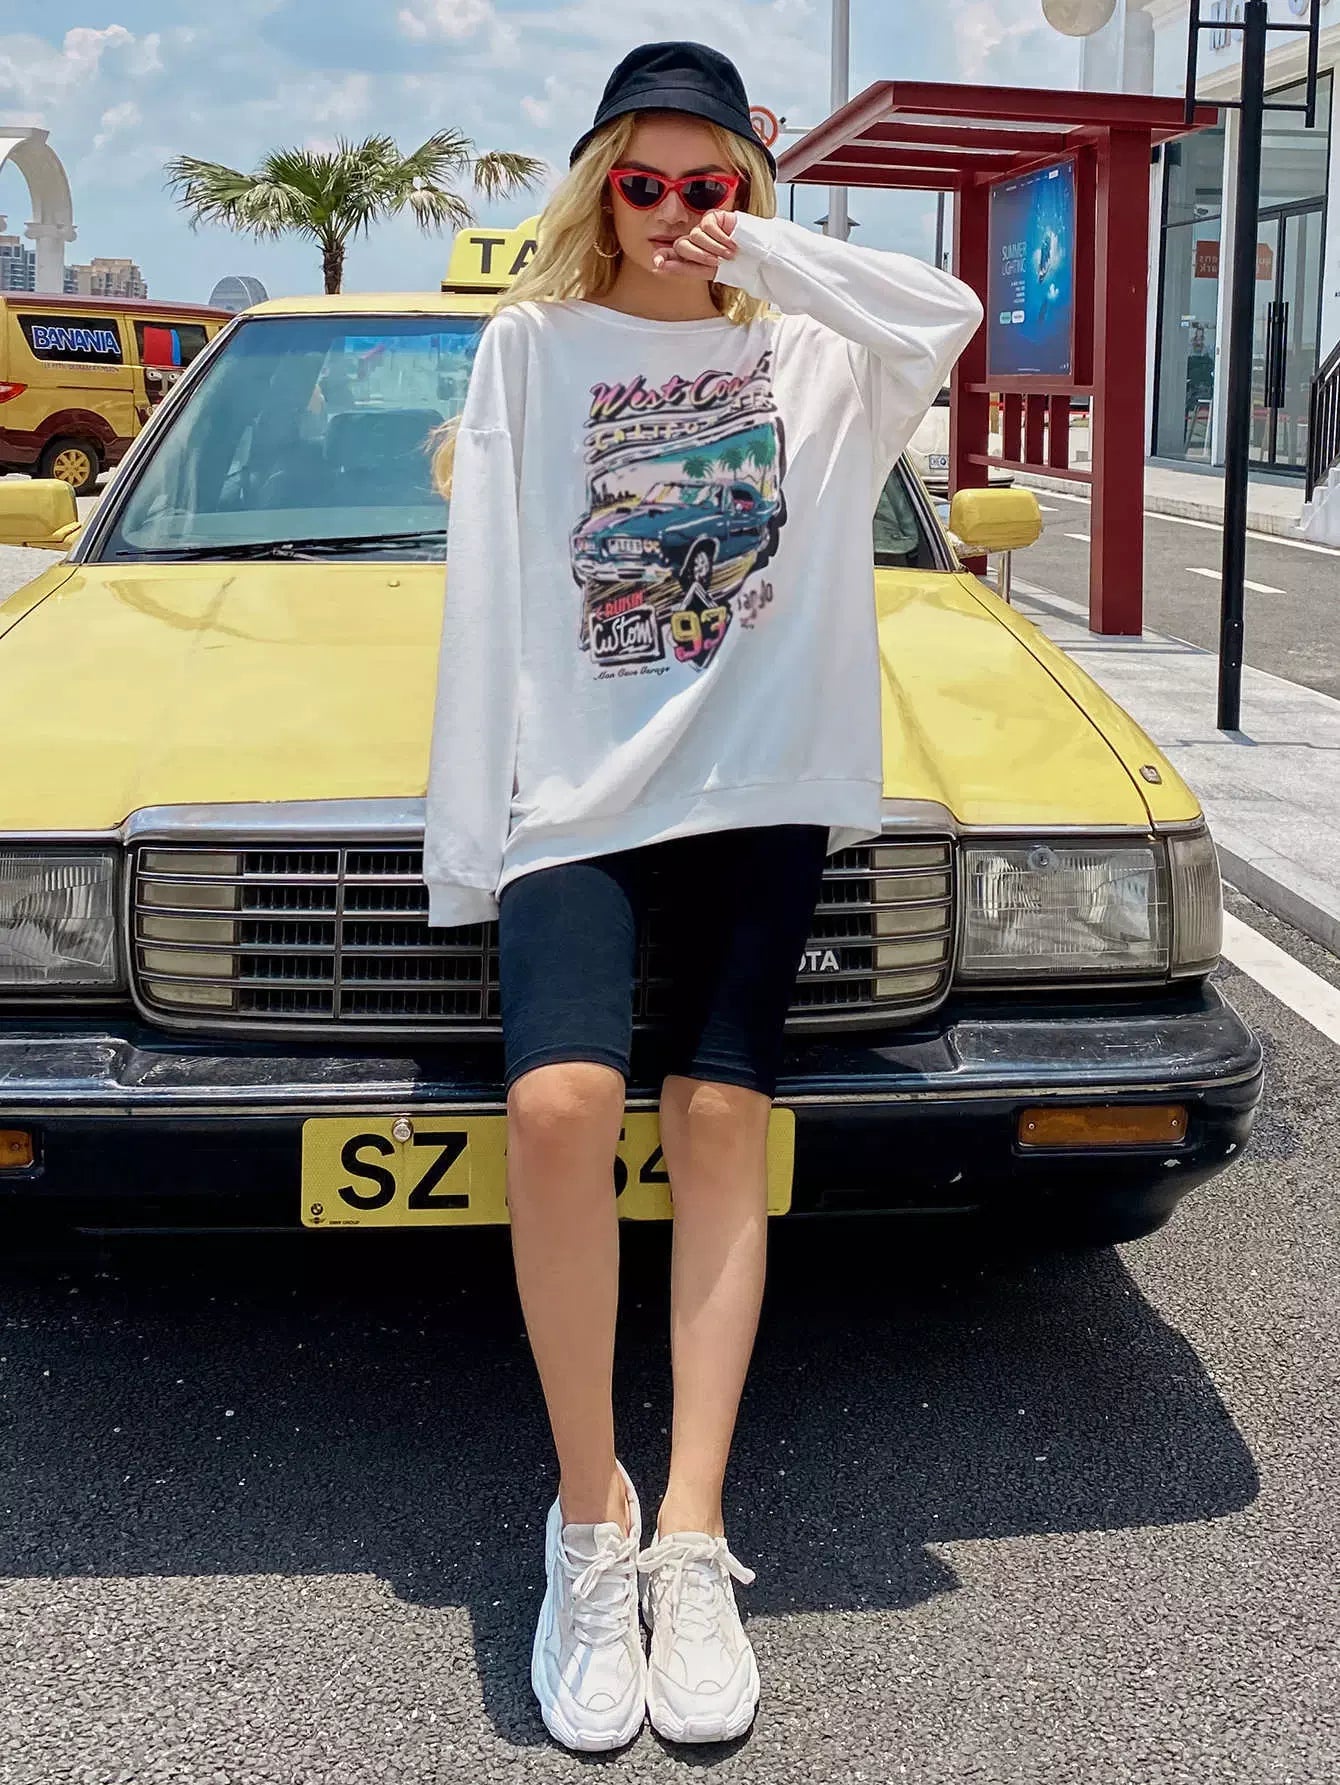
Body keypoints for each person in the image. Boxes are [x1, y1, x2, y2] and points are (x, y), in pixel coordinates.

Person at [424, 40, 982, 1752]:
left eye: (710, 180)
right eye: (648, 181)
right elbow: (488, 588)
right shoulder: (531, 348)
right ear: (601, 187)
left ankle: (690, 1529)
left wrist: (765, 250)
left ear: (749, 189)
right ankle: (588, 1517)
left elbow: (946, 312)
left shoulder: (811, 350)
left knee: (722, 1116)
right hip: (580, 790)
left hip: (760, 783)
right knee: (557, 1108)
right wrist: (472, 839)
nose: (676, 209)